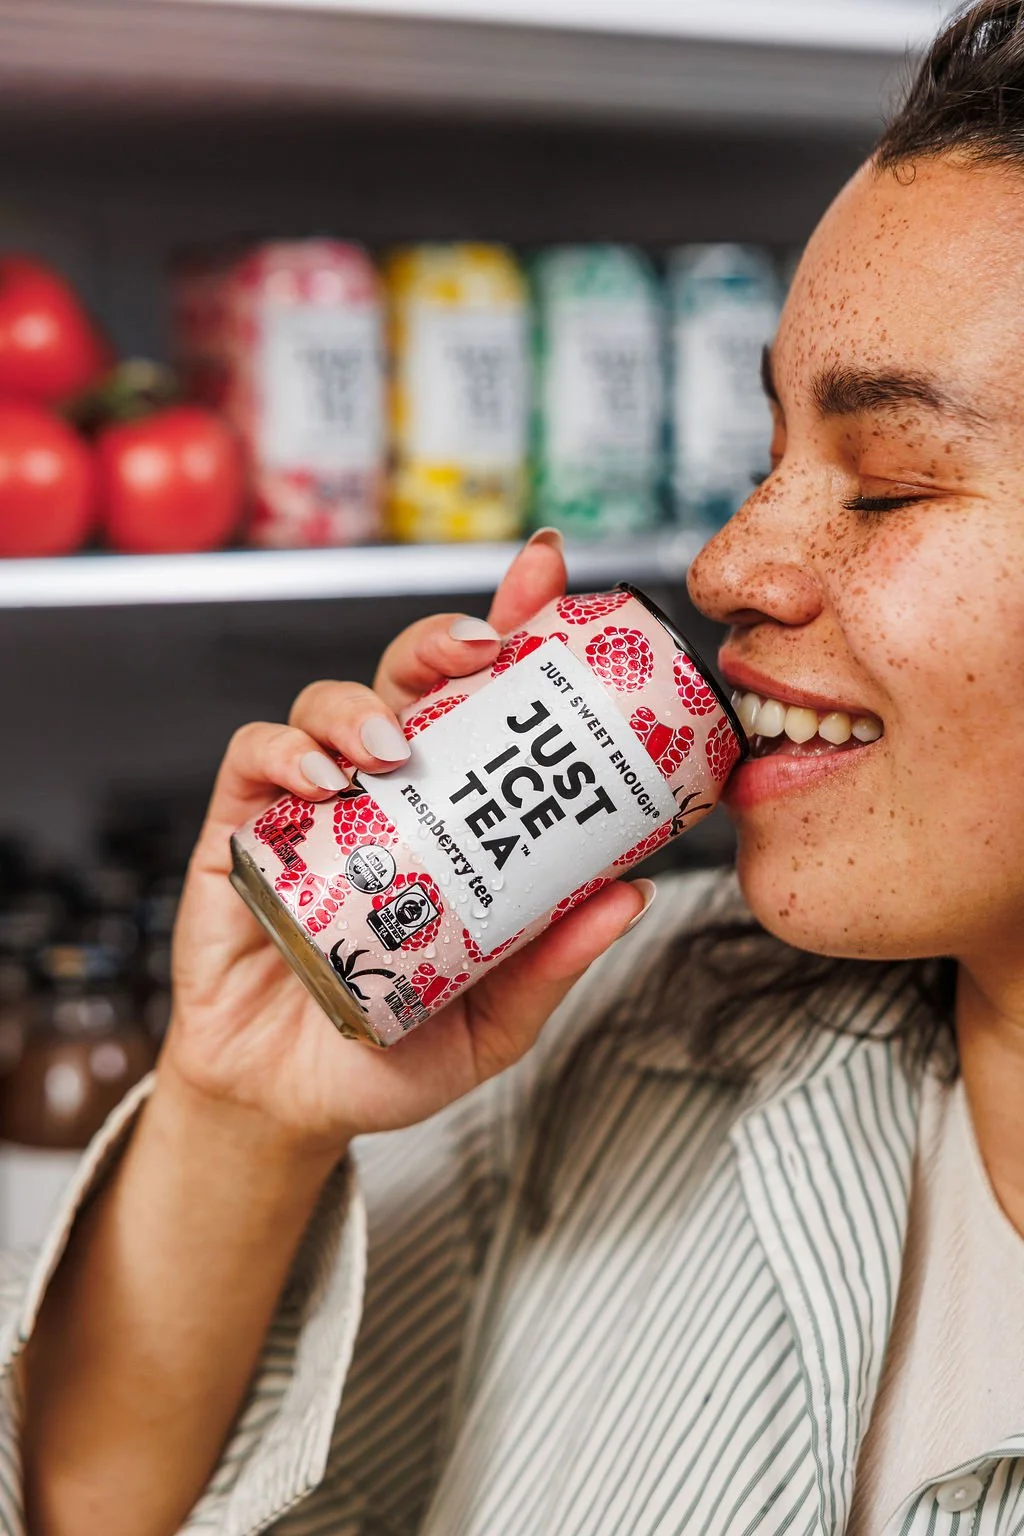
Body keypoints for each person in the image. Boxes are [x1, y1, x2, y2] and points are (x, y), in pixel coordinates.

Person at [12, 1, 1024, 1530]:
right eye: (766, 463)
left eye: (883, 488)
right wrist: (242, 1112)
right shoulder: (623, 1026)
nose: (730, 559)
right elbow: (89, 1503)